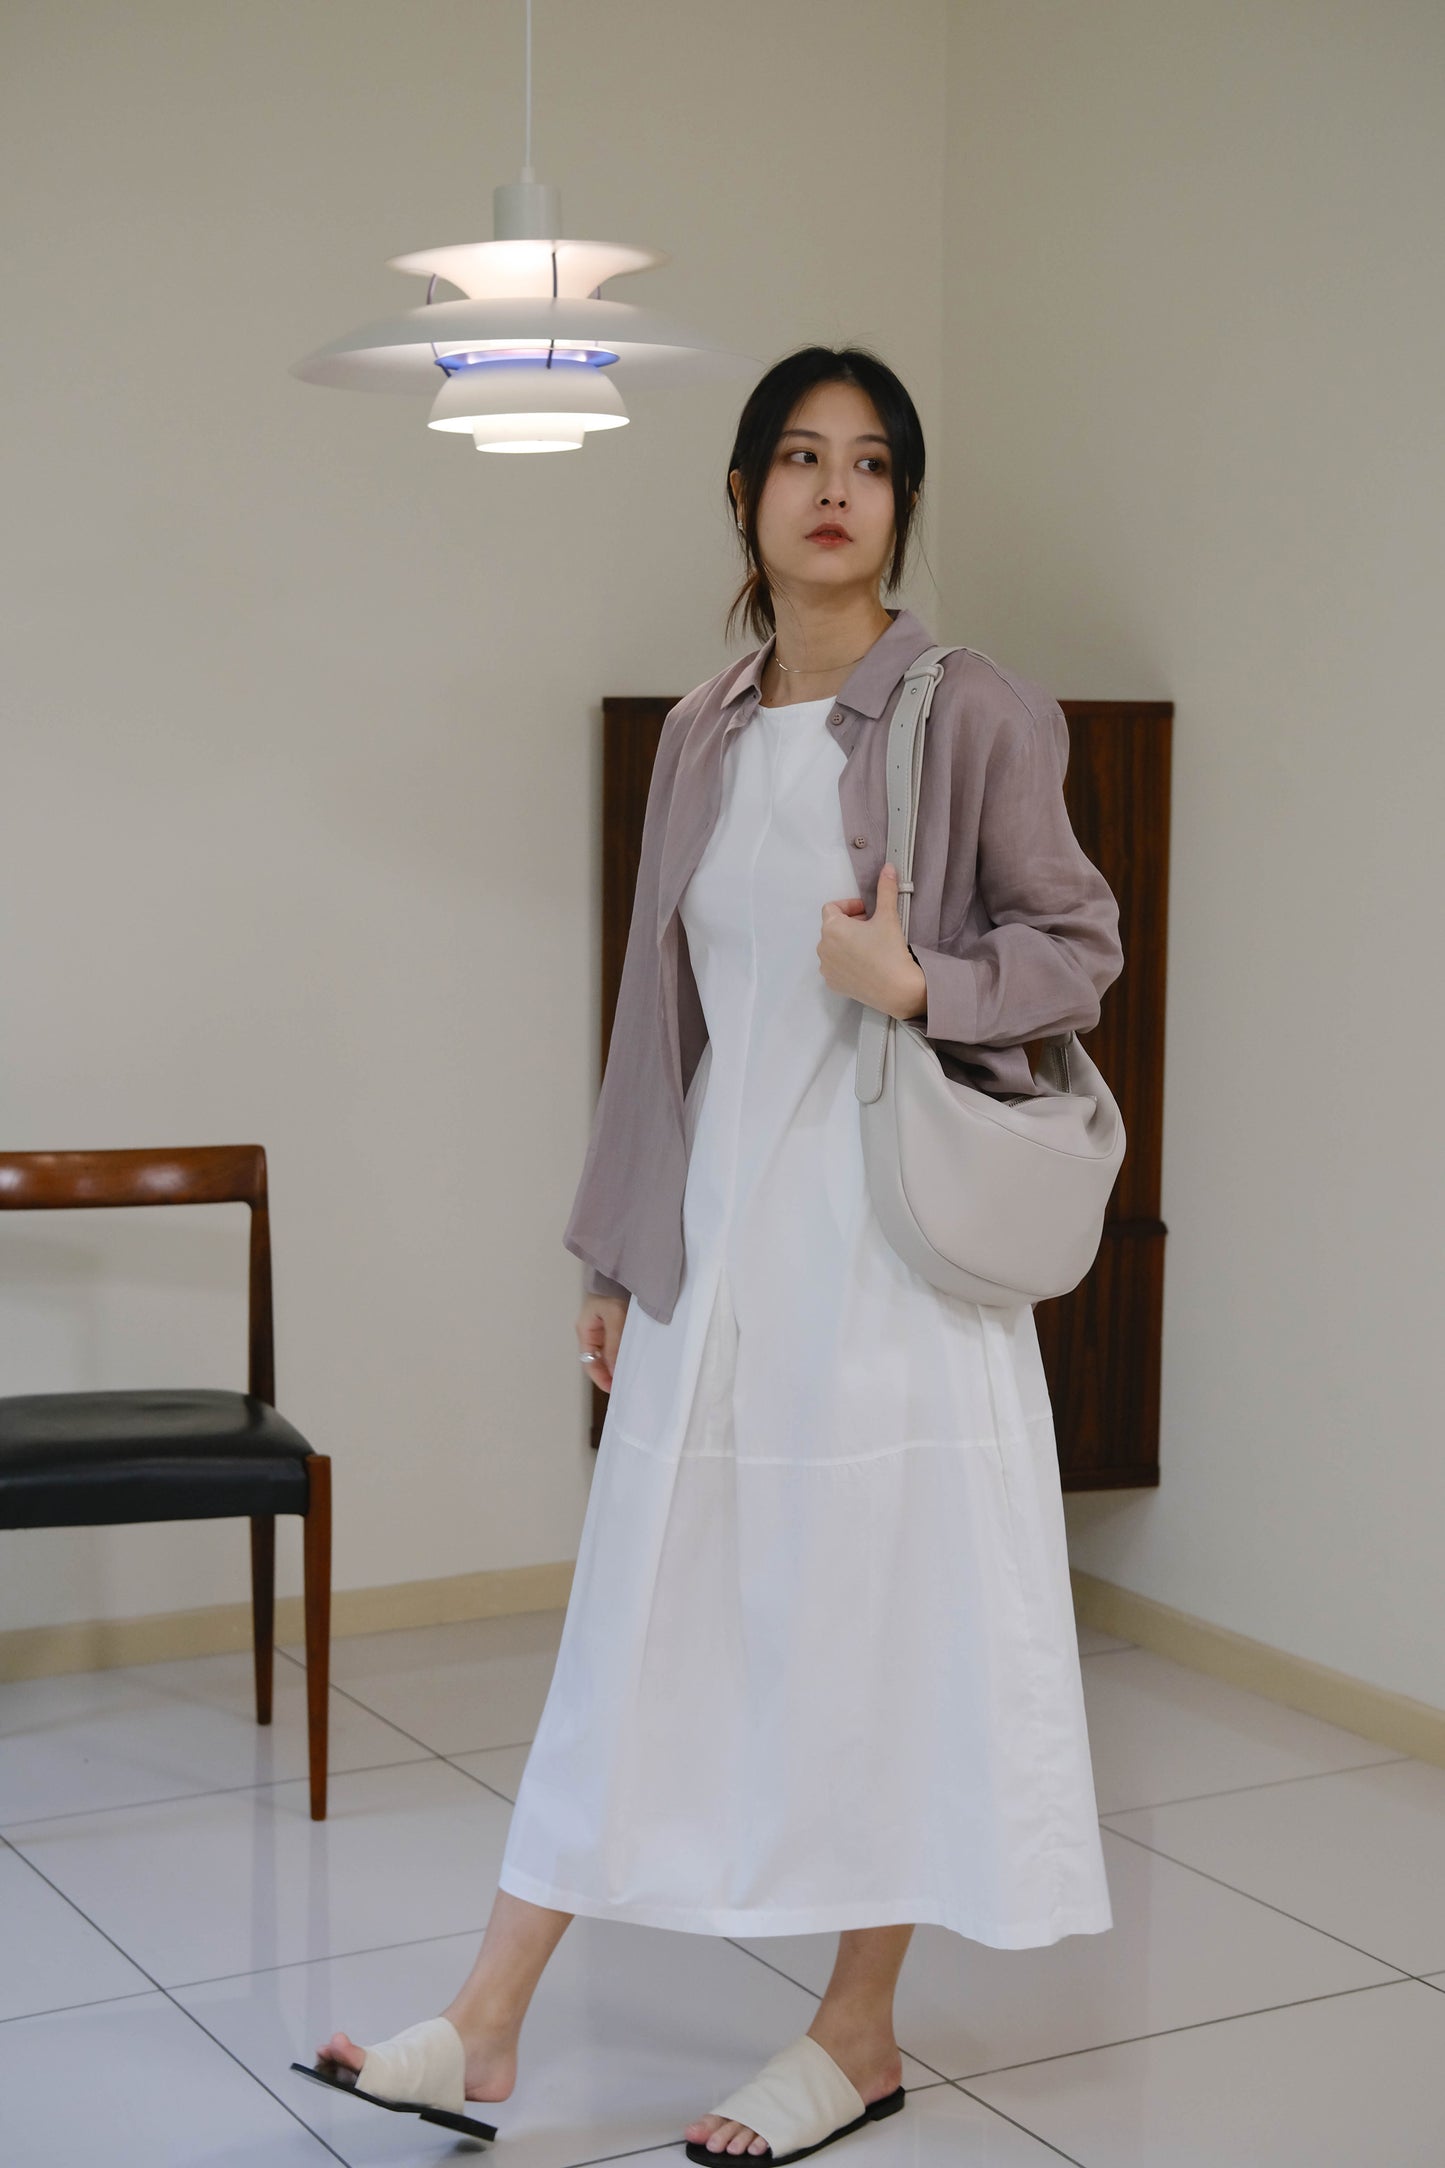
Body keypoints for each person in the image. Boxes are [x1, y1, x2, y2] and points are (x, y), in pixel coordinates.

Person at [301, 346, 1123, 2165]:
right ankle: (490, 2019)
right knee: (638, 1615)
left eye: (872, 463)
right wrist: (614, 1253)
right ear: (743, 495)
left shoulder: (972, 710)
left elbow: (1079, 945)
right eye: (801, 458)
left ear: (901, 505)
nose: (836, 490)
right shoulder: (700, 729)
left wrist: (917, 982)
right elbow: (654, 1018)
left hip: (891, 1266)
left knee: (888, 1629)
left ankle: (856, 2032)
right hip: (719, 1252)